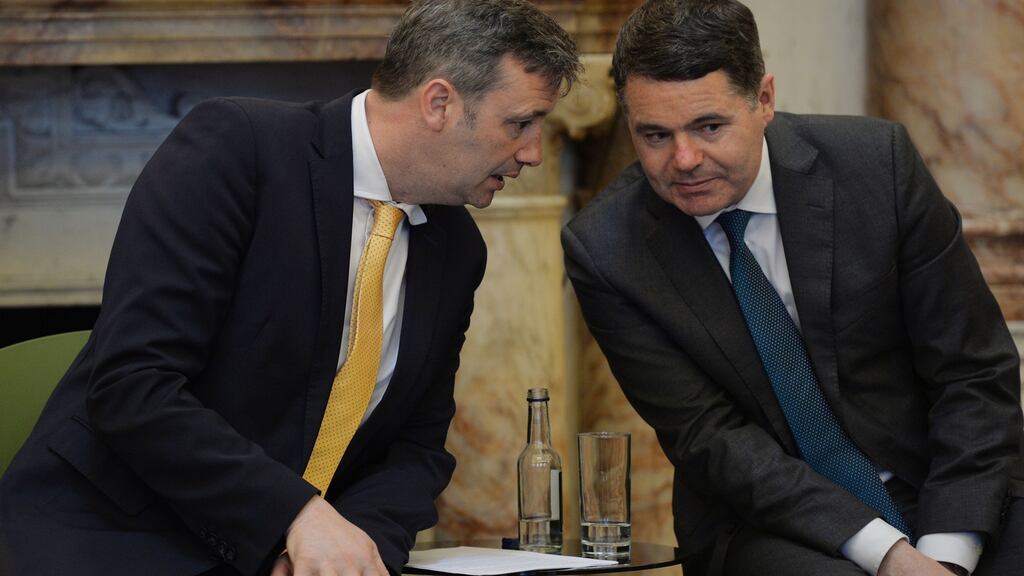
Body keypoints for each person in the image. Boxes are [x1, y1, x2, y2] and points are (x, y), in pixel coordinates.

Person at [0, 1, 580, 575]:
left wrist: (345, 553)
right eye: (520, 123)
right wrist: (294, 518)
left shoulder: (456, 248)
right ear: (439, 103)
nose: (533, 153)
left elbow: (415, 449)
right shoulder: (237, 148)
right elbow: (134, 385)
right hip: (111, 542)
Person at [561, 1, 1023, 575]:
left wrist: (947, 557)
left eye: (709, 127)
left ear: (764, 99)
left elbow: (972, 372)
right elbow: (711, 439)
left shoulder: (877, 167)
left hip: (940, 483)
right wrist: (889, 555)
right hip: (770, 521)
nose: (684, 160)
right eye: (655, 135)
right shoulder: (607, 250)